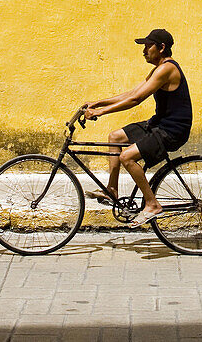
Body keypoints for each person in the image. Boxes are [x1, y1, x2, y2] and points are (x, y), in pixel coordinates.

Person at [82, 28, 193, 227]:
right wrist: (98, 103)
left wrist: (100, 112)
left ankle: (152, 204)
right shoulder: (159, 68)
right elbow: (132, 92)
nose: (144, 51)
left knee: (126, 157)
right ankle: (112, 190)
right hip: (159, 124)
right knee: (114, 137)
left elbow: (136, 99)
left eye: (147, 46)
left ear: (161, 48)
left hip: (172, 130)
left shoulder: (167, 69)